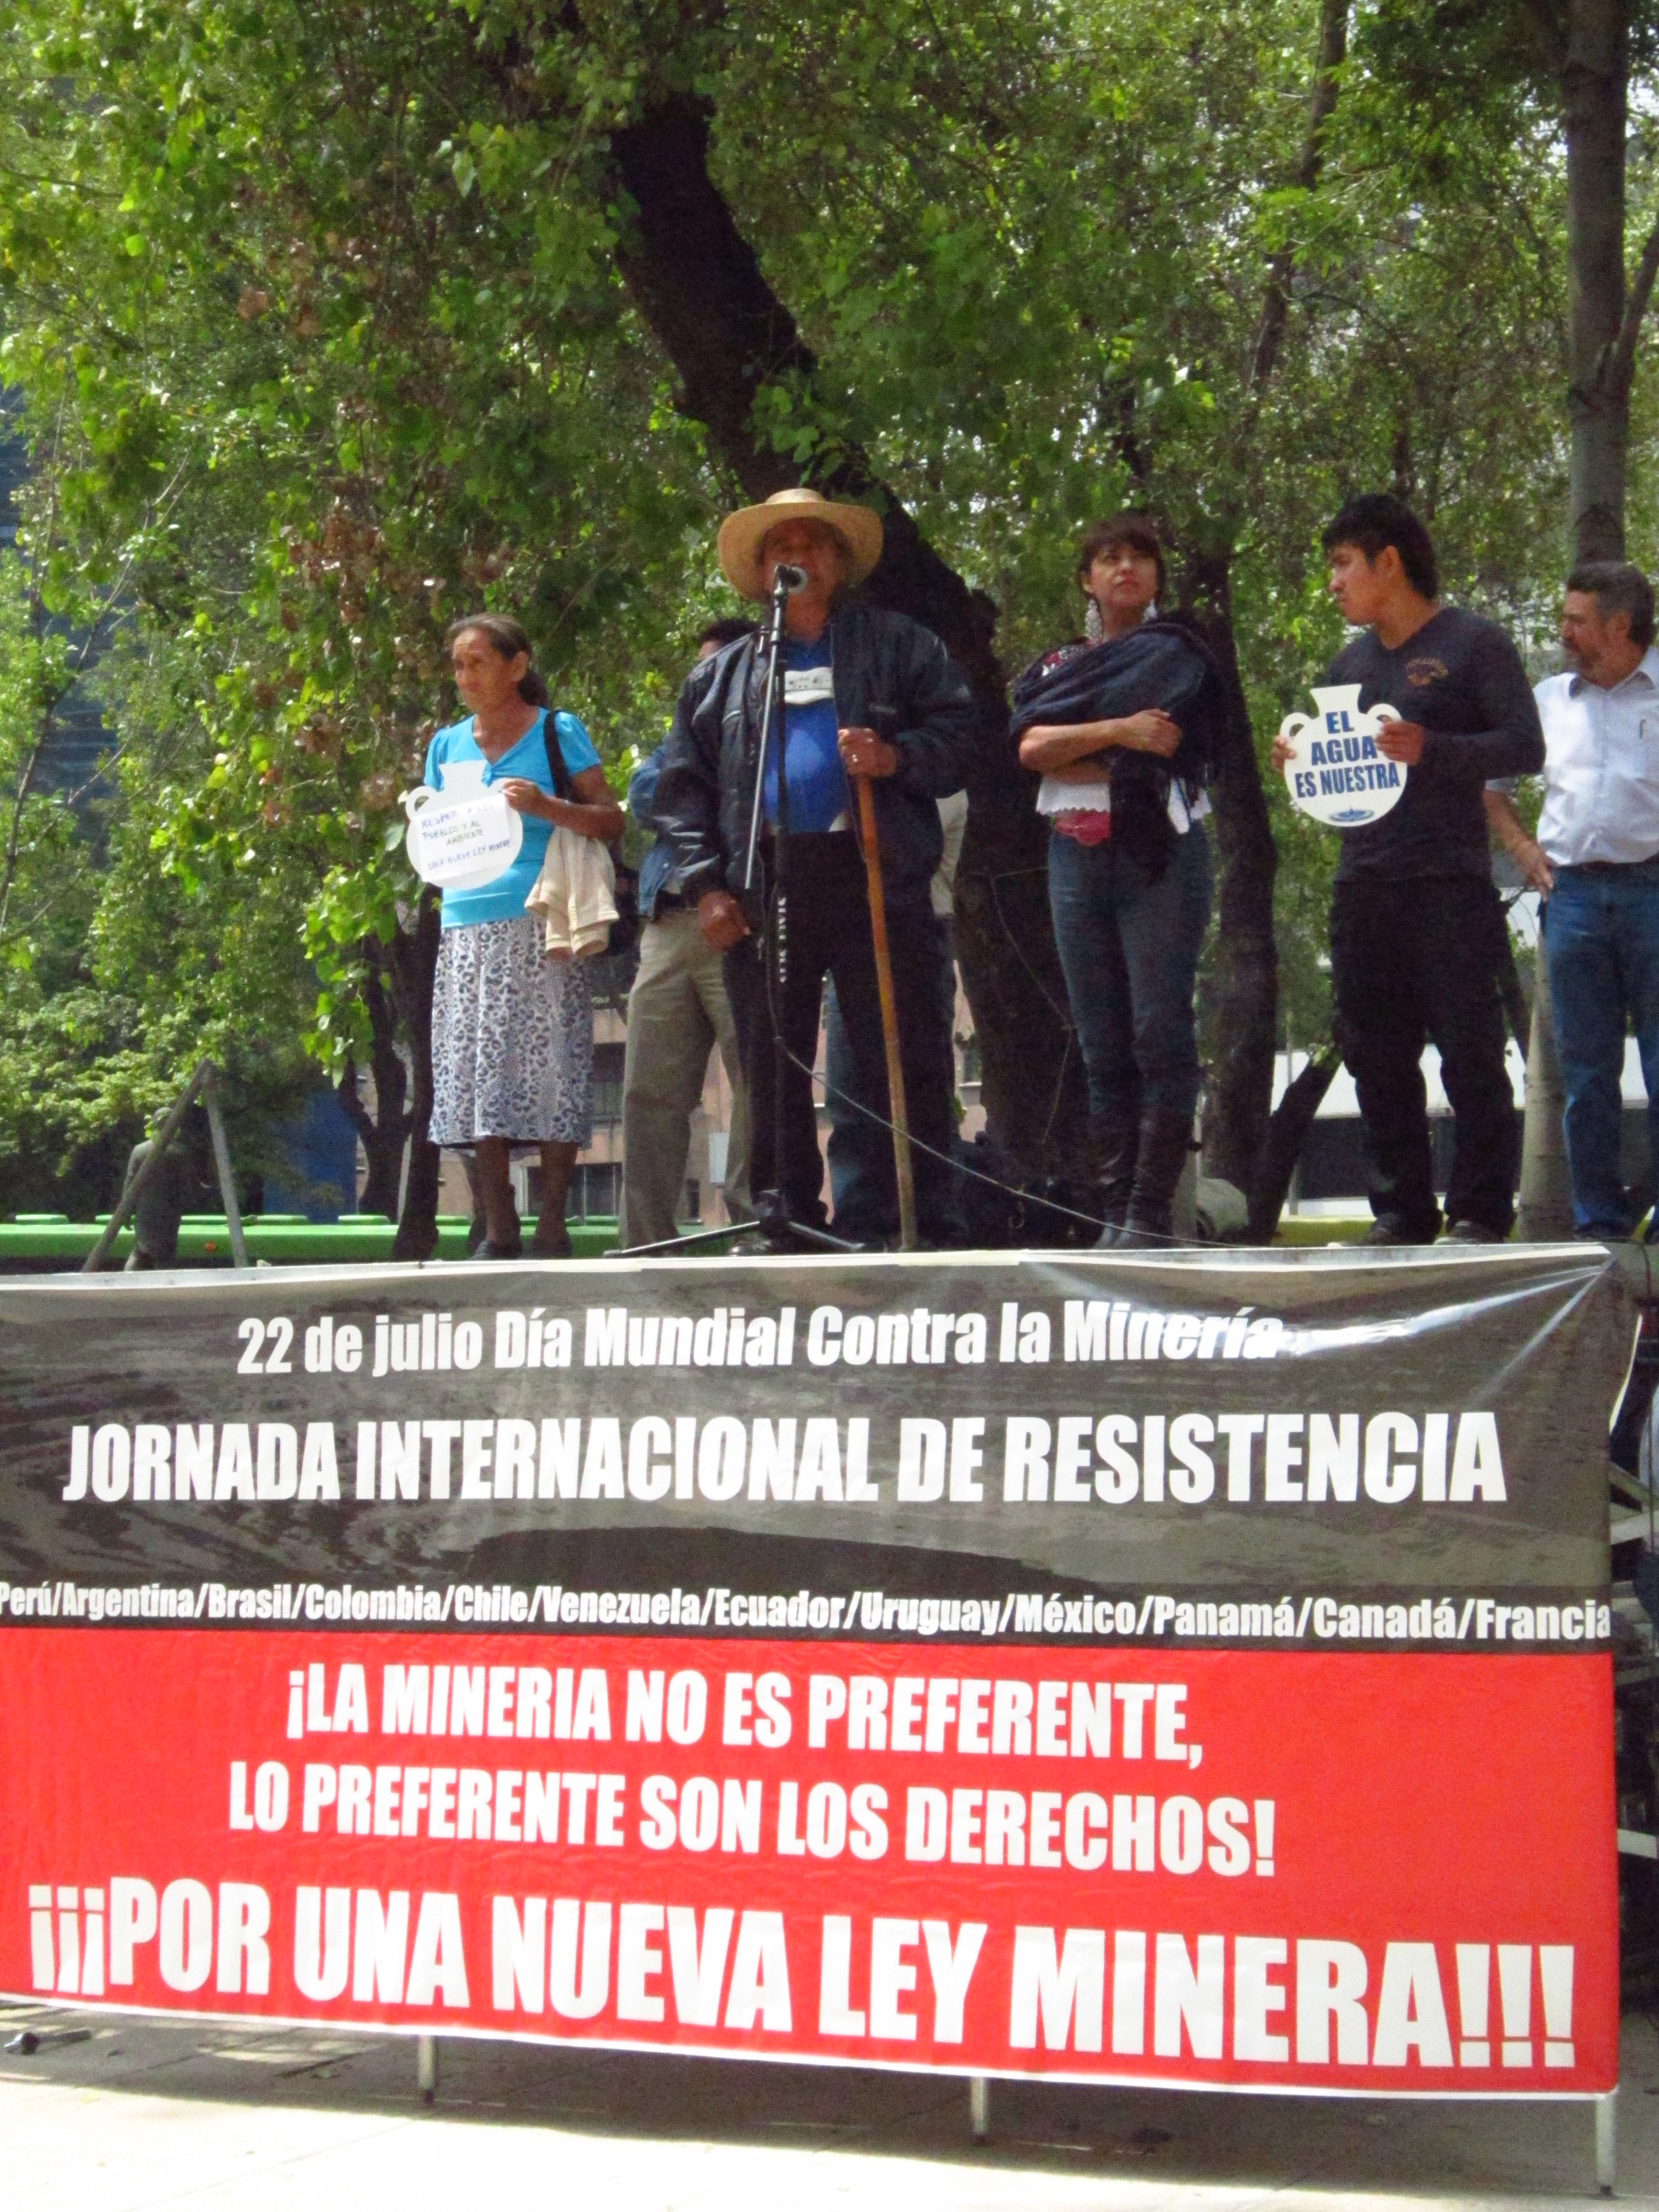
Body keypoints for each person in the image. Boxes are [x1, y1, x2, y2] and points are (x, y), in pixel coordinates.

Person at [651, 486, 975, 1245]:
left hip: (872, 864)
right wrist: (705, 887)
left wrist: (896, 757)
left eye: (812, 543)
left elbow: (963, 735)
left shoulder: (901, 646)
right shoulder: (722, 675)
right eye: (780, 546)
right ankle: (784, 1210)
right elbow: (680, 787)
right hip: (764, 880)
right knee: (771, 1056)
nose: (796, 555)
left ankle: (907, 1215)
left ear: (837, 562)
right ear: (762, 568)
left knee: (896, 1049)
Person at [1271, 494, 1544, 1244]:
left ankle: (1482, 1212)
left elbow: (1524, 745)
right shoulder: (1348, 665)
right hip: (1363, 880)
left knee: (1470, 1051)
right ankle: (1399, 1211)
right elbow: (1340, 773)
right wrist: (1299, 766)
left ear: (1388, 562)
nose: (1333, 584)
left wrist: (1439, 751)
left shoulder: (1473, 643)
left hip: (1449, 880)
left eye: (1342, 565)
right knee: (1375, 1054)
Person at [1012, 516, 1223, 1247]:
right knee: (1101, 1040)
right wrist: (1119, 732)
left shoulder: (1182, 653)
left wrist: (1102, 741)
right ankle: (1111, 1218)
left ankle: (1149, 1213)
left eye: (1140, 557)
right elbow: (1034, 746)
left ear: (1158, 576)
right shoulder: (1057, 664)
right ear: (1087, 579)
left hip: (1160, 853)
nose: (1126, 568)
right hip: (1074, 854)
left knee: (1159, 1027)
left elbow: (1173, 747)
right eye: (1109, 558)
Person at [425, 614, 623, 1258]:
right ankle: (498, 1226)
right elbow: (434, 829)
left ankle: (554, 1224)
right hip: (465, 927)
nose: (464, 676)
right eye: (457, 664)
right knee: (478, 1072)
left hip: (542, 923)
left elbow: (611, 820)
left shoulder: (556, 731)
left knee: (554, 1067)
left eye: (477, 662)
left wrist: (544, 806)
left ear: (516, 666)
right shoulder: (445, 745)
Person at [1486, 562, 1659, 1240]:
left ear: (1618, 626)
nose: (1562, 632)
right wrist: (1526, 854)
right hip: (1574, 897)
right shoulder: (1548, 700)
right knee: (1587, 1075)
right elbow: (1492, 787)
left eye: (1575, 620)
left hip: (1653, 890)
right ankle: (1600, 1227)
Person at [616, 617, 755, 1251]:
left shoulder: (767, 732)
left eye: (722, 662)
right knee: (649, 1088)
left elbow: (748, 800)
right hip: (669, 923)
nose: (708, 675)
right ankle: (645, 1238)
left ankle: (754, 1224)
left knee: (756, 1079)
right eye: (700, 666)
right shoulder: (678, 735)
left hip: (743, 924)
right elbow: (647, 796)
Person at [822, 789, 966, 1245]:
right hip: (851, 937)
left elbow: (891, 847)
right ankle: (859, 1220)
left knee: (923, 1089)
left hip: (917, 935)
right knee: (850, 1094)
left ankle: (930, 1222)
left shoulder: (940, 783)